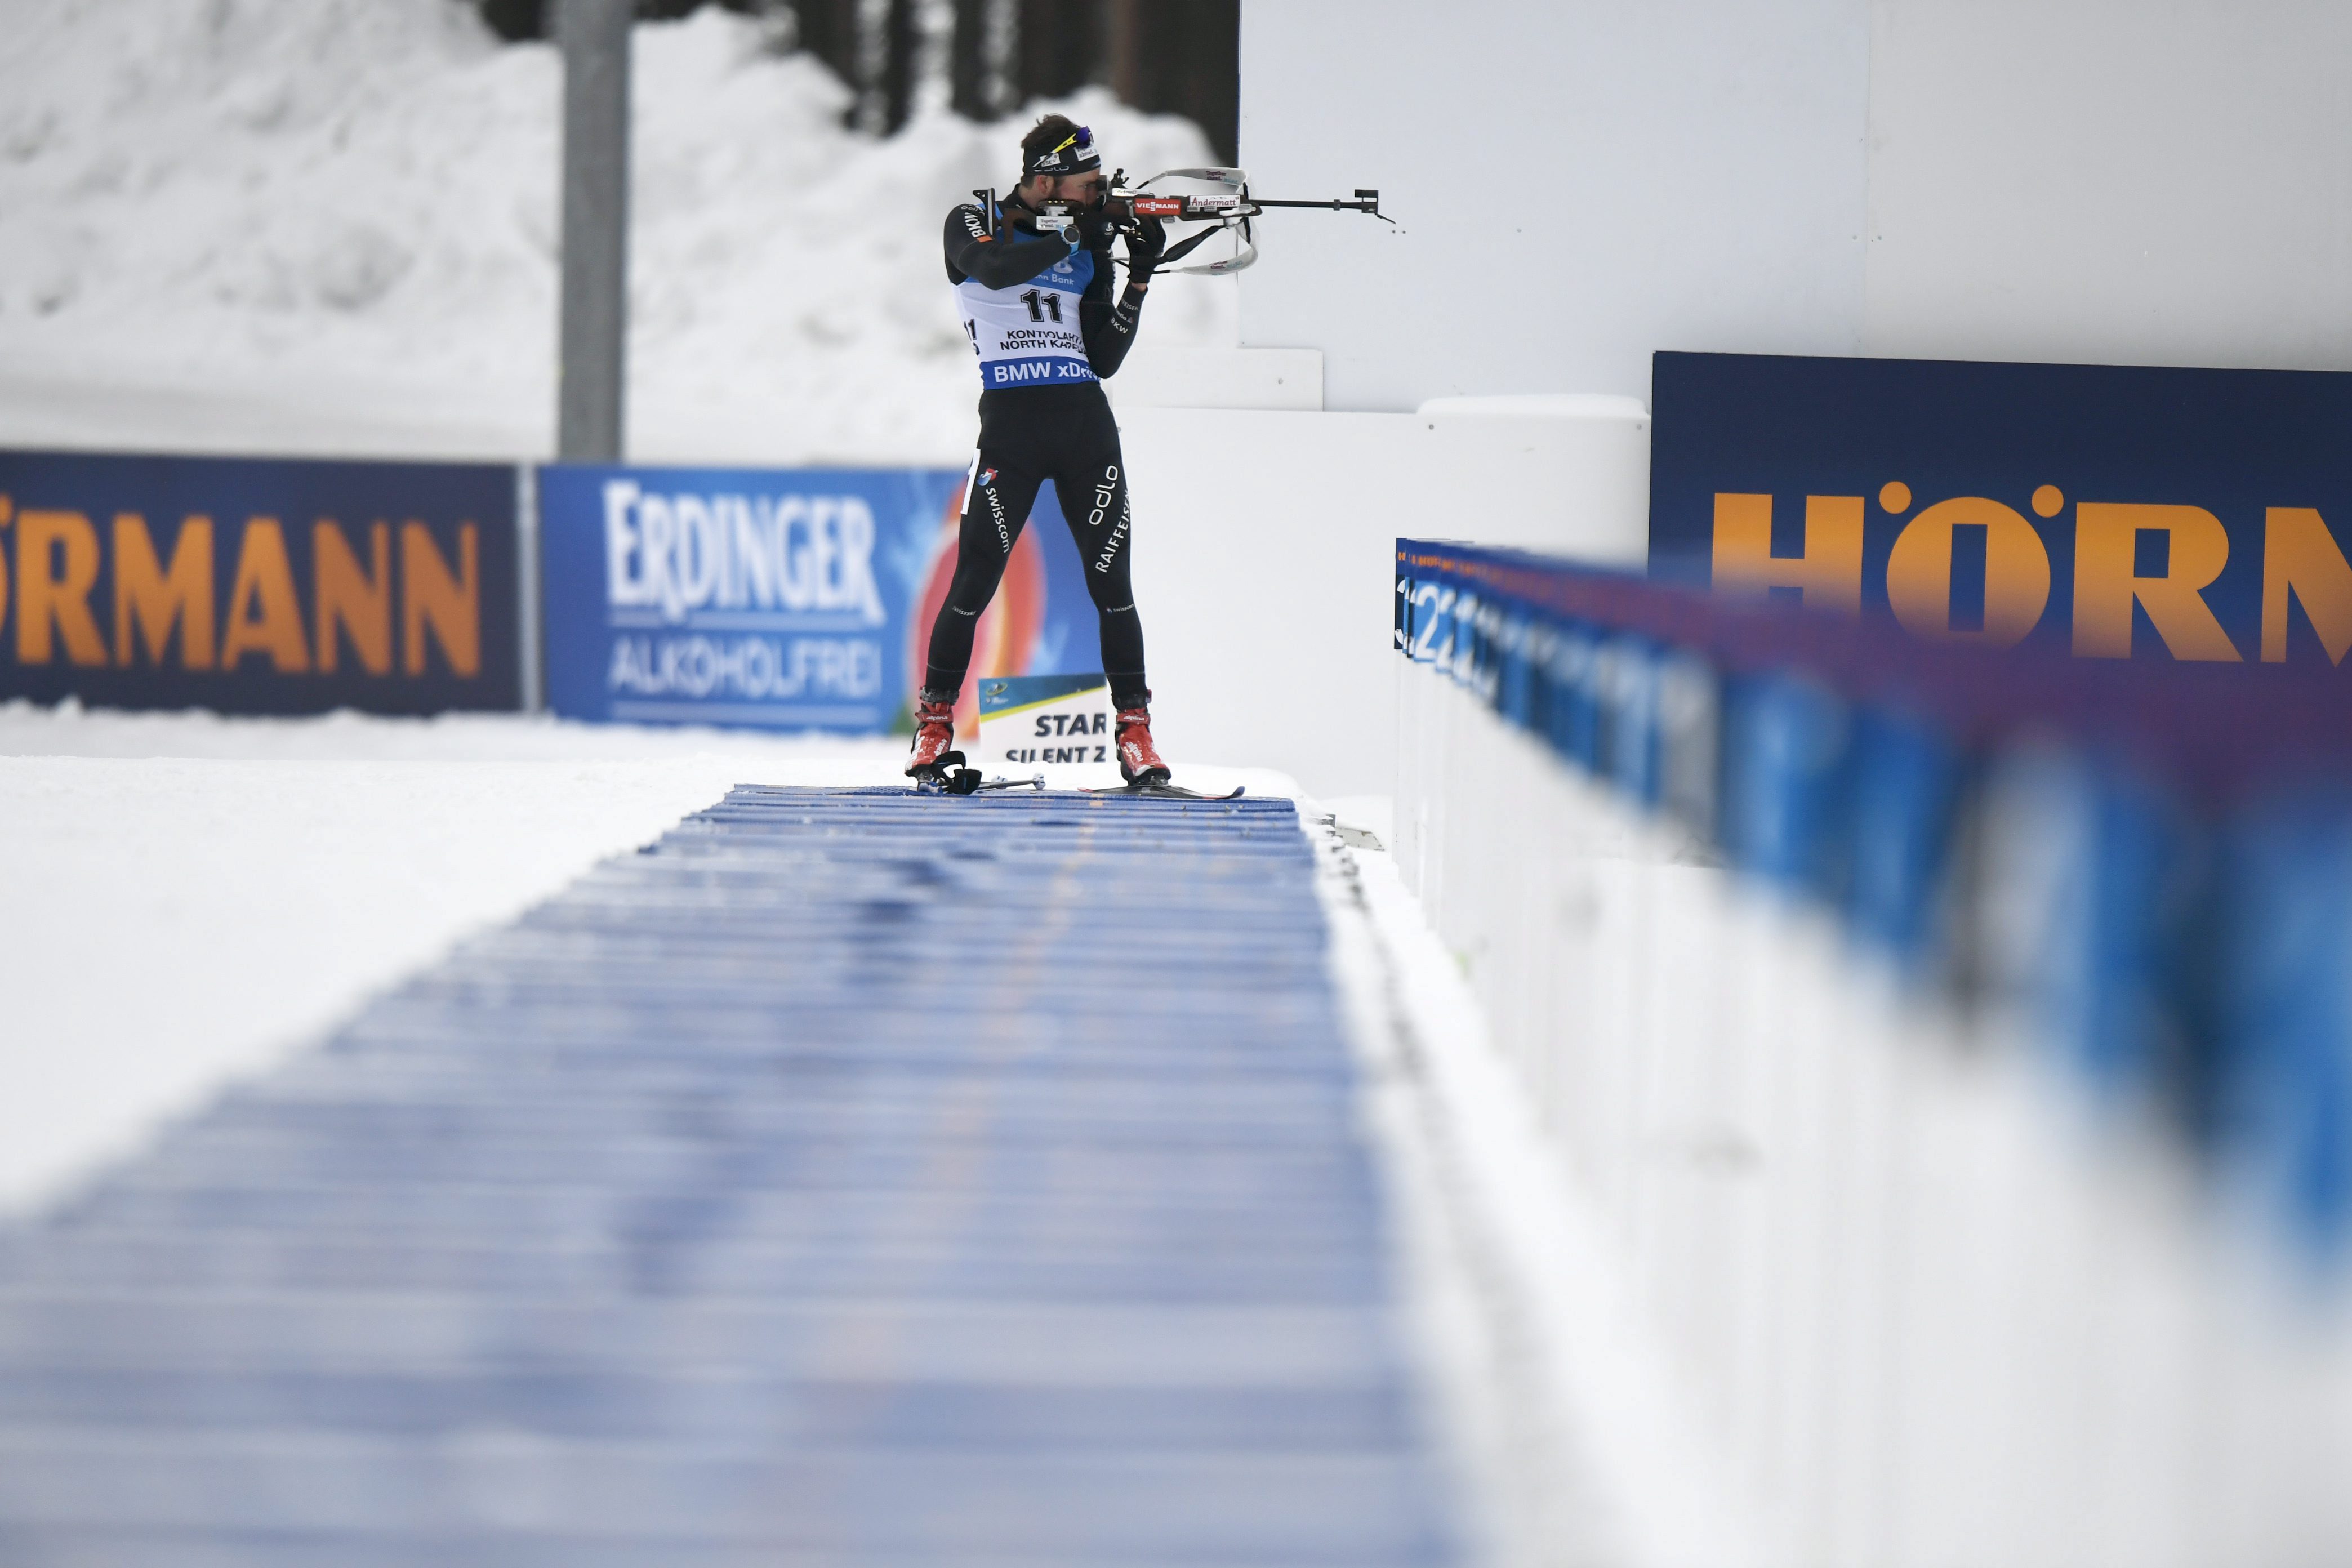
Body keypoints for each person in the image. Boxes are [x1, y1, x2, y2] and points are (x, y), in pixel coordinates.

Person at [908, 114, 1172, 785]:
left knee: (1113, 589)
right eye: (1085, 187)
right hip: (1011, 431)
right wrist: (1074, 234)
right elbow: (995, 272)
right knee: (973, 584)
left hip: (1084, 426)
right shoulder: (974, 220)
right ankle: (935, 730)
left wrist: (1138, 278)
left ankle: (1136, 733)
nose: (1096, 197)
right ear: (1047, 182)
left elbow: (1105, 357)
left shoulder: (1087, 238)